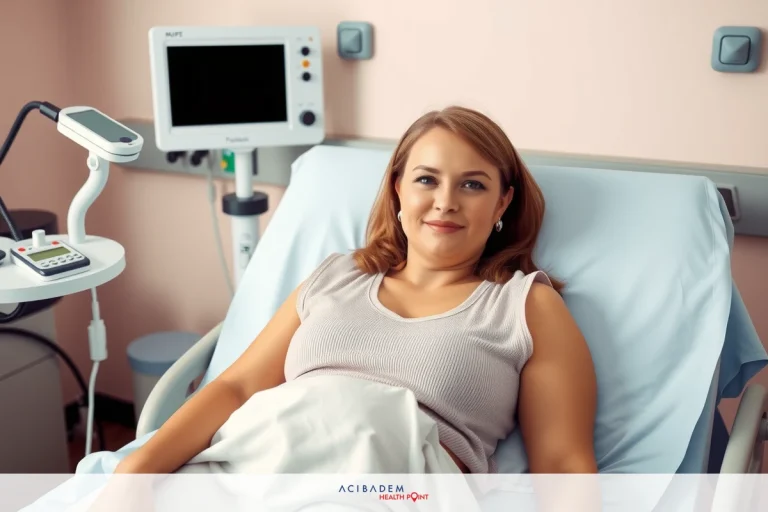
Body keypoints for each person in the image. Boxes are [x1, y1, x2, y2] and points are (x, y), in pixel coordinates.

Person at [114, 105, 598, 476]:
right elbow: (236, 387)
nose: (445, 202)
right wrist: (133, 473)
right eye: (426, 179)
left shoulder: (525, 307)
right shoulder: (336, 277)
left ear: (502, 203)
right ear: (397, 190)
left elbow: (563, 464)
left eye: (472, 185)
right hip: (251, 469)